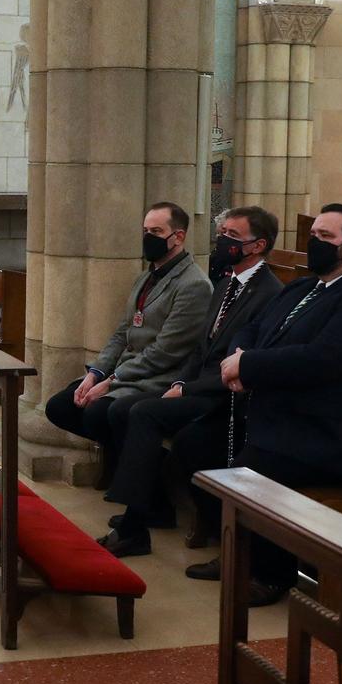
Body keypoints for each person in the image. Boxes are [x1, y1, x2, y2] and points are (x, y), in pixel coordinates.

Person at [179, 204, 342, 593]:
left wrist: (248, 368)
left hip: (330, 435)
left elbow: (323, 360)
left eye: (323, 237)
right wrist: (239, 358)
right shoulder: (307, 286)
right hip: (286, 417)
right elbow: (252, 328)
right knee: (198, 446)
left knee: (246, 474)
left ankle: (270, 575)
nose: (312, 243)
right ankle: (241, 554)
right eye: (312, 235)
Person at [95, 207, 284, 557]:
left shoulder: (269, 293)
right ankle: (149, 507)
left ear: (257, 245)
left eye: (231, 235)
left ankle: (136, 524)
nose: (222, 240)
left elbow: (238, 360)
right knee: (124, 410)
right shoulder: (227, 282)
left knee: (144, 413)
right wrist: (181, 382)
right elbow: (202, 348)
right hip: (199, 385)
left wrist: (188, 388)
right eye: (222, 232)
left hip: (225, 396)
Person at [44, 201, 210, 480]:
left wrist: (111, 381)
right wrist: (95, 373)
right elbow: (122, 332)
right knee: (60, 406)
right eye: (145, 230)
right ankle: (127, 462)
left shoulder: (193, 285)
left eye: (156, 231)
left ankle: (146, 475)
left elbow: (165, 352)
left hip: (159, 376)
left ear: (178, 237)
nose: (148, 238)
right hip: (125, 371)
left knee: (98, 413)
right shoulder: (147, 276)